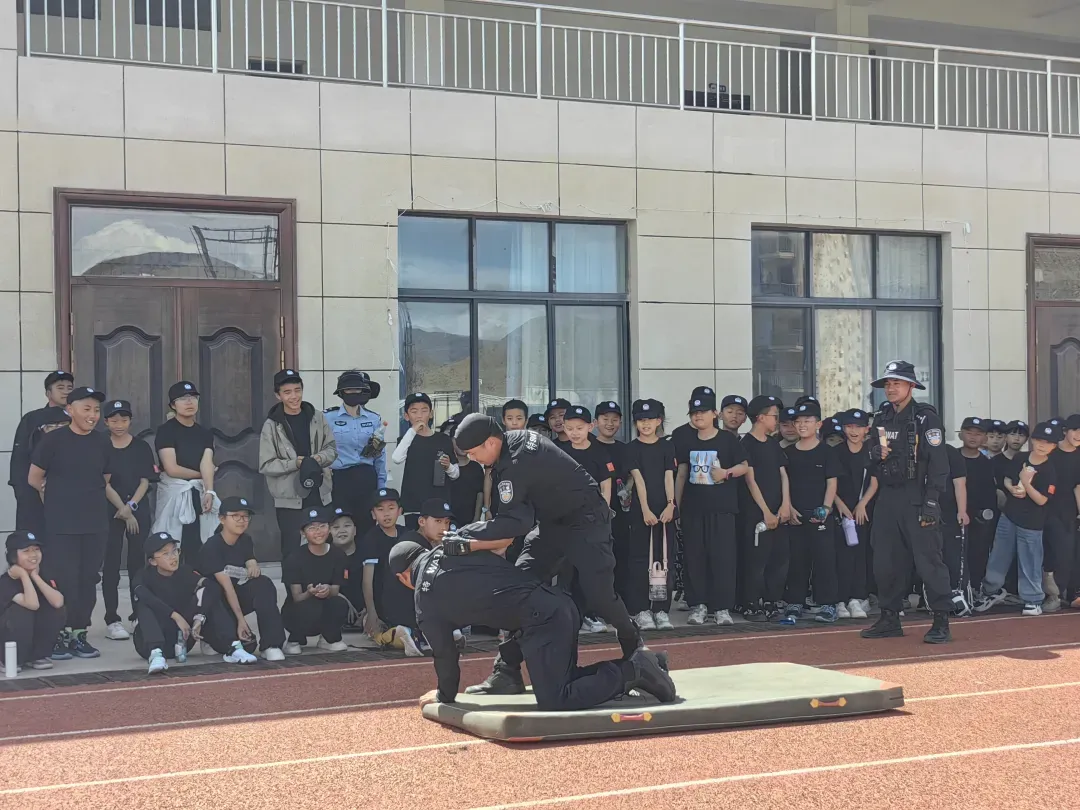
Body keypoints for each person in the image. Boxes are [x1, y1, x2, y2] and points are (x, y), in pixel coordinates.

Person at [451, 413, 643, 696]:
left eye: (473, 452)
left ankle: (639, 655)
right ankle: (507, 671)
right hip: (552, 525)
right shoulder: (510, 446)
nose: (473, 458)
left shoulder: (515, 463)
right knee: (519, 589)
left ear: (490, 442)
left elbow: (516, 524)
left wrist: (465, 533)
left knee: (599, 595)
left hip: (587, 521)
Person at [391, 541, 676, 711]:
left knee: (556, 698)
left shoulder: (424, 601)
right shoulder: (454, 547)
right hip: (556, 603)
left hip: (542, 620)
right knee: (565, 680)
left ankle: (635, 670)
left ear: (403, 578)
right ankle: (643, 666)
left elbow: (445, 654)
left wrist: (444, 695)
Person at [861, 361, 953, 644]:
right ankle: (889, 618)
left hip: (918, 496)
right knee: (885, 560)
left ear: (911, 386)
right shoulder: (882, 417)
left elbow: (939, 463)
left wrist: (932, 502)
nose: (891, 388)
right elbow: (870, 457)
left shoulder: (925, 418)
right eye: (888, 384)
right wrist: (874, 454)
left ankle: (941, 620)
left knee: (928, 561)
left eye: (897, 383)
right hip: (888, 496)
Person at [28, 386, 113, 660]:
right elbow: (34, 478)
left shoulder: (102, 441)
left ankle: (79, 633)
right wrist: (57, 500)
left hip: (95, 523)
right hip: (61, 525)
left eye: (96, 410)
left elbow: (106, 477)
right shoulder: (53, 440)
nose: (92, 415)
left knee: (88, 579)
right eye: (86, 409)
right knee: (63, 579)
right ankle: (57, 634)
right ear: (70, 410)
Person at [673, 388, 749, 626]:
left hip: (722, 509)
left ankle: (722, 607)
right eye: (694, 412)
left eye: (703, 411)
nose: (698, 416)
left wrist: (726, 473)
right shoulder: (686, 439)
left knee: (722, 558)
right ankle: (699, 605)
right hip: (693, 509)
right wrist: (676, 505)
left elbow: (744, 466)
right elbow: (682, 474)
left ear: (715, 413)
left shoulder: (727, 439)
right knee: (695, 558)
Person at [134, 531, 258, 671]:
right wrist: (175, 616)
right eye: (165, 554)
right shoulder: (143, 576)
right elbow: (143, 594)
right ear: (153, 561)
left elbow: (211, 587)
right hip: (148, 642)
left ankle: (233, 647)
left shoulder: (185, 571)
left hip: (183, 638)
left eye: (175, 551)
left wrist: (200, 617)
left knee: (209, 595)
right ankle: (156, 654)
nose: (173, 557)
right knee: (144, 603)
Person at [975, 422, 1062, 616]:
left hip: (1032, 522)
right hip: (1009, 515)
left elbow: (1042, 500)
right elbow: (1007, 478)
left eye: (1048, 442)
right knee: (999, 555)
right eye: (1039, 440)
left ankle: (1033, 599)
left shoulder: (1049, 469)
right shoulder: (1020, 457)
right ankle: (991, 591)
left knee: (1030, 560)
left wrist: (1025, 483)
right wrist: (1012, 488)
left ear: (1054, 446)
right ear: (1033, 440)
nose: (1042, 445)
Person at [258, 369, 338, 560]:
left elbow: (332, 449)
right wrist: (296, 463)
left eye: (297, 390)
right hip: (289, 497)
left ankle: (324, 580)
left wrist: (317, 460)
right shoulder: (272, 425)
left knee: (324, 545)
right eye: (287, 392)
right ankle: (292, 581)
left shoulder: (317, 417)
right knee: (292, 548)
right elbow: (266, 465)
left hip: (320, 491)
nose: (294, 396)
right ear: (278, 395)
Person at [199, 496, 286, 660]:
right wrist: (241, 621)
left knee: (263, 584)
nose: (241, 520)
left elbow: (249, 559)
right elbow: (226, 587)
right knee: (247, 646)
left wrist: (252, 564)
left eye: (245, 516)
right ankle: (209, 638)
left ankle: (271, 644)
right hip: (214, 606)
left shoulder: (245, 539)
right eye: (235, 516)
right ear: (222, 519)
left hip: (232, 597)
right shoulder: (212, 546)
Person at [781, 400, 841, 625]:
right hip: (795, 515)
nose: (802, 425)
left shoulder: (827, 452)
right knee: (797, 561)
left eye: (807, 421)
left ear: (818, 424)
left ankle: (828, 604)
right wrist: (789, 508)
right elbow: (784, 483)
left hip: (820, 516)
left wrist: (825, 508)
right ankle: (795, 602)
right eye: (798, 421)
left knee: (825, 561)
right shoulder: (788, 453)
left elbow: (832, 482)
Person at [100, 399, 155, 642]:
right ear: (106, 422)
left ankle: (138, 614)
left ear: (130, 421)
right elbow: (103, 482)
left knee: (137, 564)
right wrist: (122, 508)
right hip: (109, 510)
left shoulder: (141, 446)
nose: (119, 424)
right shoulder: (101, 445)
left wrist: (131, 507)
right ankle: (112, 618)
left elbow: (145, 480)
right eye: (114, 420)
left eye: (124, 420)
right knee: (111, 564)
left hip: (137, 509)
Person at [374, 497, 454, 657]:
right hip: (401, 609)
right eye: (438, 521)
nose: (443, 527)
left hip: (412, 606)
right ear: (422, 521)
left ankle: (423, 633)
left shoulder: (428, 542)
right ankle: (409, 633)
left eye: (446, 522)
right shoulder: (412, 542)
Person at [623, 399, 676, 630]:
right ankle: (641, 610)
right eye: (641, 420)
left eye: (650, 420)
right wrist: (645, 509)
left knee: (664, 560)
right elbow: (639, 480)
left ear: (659, 421)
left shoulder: (667, 446)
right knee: (639, 560)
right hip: (641, 512)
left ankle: (661, 610)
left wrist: (671, 505)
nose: (646, 424)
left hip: (665, 512)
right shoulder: (631, 448)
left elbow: (669, 477)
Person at [153, 381, 217, 565]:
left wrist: (209, 490)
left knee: (199, 539)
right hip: (175, 491)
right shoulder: (166, 431)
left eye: (193, 397)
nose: (189, 402)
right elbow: (172, 468)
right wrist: (202, 475)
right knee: (172, 539)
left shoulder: (205, 433)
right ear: (173, 405)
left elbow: (207, 462)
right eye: (183, 398)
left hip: (198, 491)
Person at [740, 395, 791, 622]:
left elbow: (783, 474)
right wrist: (766, 512)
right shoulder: (746, 444)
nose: (776, 421)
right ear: (760, 417)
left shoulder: (773, 444)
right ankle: (751, 603)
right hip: (756, 513)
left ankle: (772, 601)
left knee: (778, 559)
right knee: (756, 560)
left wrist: (785, 504)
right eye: (774, 416)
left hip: (779, 510)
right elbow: (750, 480)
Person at [10, 370, 73, 536]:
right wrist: (21, 489)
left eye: (69, 388)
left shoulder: (78, 418)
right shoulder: (32, 419)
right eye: (60, 387)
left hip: (68, 490)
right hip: (33, 490)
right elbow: (19, 458)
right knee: (34, 537)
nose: (66, 391)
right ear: (48, 393)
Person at [281, 507, 350, 655]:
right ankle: (294, 640)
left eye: (322, 526)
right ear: (303, 533)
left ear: (329, 528)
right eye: (312, 528)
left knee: (340, 604)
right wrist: (310, 592)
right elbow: (297, 597)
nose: (318, 531)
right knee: (309, 606)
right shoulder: (294, 558)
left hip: (324, 607)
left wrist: (327, 589)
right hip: (298, 610)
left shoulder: (338, 555)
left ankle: (328, 638)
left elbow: (335, 590)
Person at [326, 370, 388, 536]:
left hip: (366, 478)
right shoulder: (328, 418)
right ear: (341, 393)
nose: (353, 393)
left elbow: (380, 456)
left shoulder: (373, 419)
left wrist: (381, 487)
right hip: (340, 479)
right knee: (341, 526)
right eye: (349, 389)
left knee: (366, 526)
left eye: (357, 389)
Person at [831, 409, 878, 620]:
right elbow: (830, 482)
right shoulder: (835, 452)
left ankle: (857, 598)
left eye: (858, 427)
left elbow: (875, 482)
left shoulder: (871, 452)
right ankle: (840, 600)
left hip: (862, 512)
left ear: (866, 429)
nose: (854, 431)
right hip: (840, 511)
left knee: (861, 555)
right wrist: (840, 505)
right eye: (849, 427)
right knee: (841, 556)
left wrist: (862, 505)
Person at [0, 531, 65, 671]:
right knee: (22, 610)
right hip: (6, 641)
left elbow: (58, 602)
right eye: (26, 551)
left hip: (30, 639)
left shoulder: (43, 574)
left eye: (36, 549)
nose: (33, 555)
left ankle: (37, 656)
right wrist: (24, 575)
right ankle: (8, 659)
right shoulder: (6, 581)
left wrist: (35, 576)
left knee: (54, 607)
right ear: (12, 556)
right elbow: (32, 605)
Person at [392, 393, 458, 530]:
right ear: (406, 416)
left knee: (438, 539)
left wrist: (448, 466)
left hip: (439, 503)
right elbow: (396, 459)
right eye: (414, 411)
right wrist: (413, 431)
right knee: (414, 539)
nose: (419, 415)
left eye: (424, 410)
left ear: (431, 414)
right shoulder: (405, 440)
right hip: (413, 505)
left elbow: (456, 474)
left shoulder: (443, 439)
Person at [958, 417, 998, 598]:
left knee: (978, 554)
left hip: (980, 519)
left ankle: (975, 590)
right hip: (954, 516)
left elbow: (991, 494)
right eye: (969, 432)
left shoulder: (988, 463)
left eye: (978, 433)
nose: (973, 437)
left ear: (984, 438)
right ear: (961, 434)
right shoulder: (951, 458)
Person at [358, 487, 403, 642]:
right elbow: (367, 581)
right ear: (373, 514)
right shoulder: (371, 539)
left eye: (391, 508)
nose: (386, 514)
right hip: (383, 598)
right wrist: (372, 614)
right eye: (380, 509)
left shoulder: (407, 534)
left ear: (400, 511)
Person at [1048, 415, 1080, 611]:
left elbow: (1078, 486)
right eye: (1075, 430)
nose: (1078, 435)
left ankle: (1073, 593)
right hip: (1050, 510)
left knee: (1073, 553)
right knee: (1059, 553)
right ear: (1065, 431)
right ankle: (1055, 594)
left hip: (1071, 511)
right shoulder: (1051, 453)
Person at [329, 506, 364, 627]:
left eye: (347, 526)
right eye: (336, 527)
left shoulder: (366, 553)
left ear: (355, 530)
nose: (342, 531)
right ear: (329, 531)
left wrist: (370, 609)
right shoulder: (324, 554)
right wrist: (341, 598)